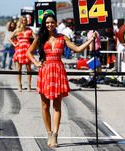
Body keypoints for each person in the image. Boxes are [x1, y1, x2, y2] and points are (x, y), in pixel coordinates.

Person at [26, 14, 96, 148]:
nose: (49, 25)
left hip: (58, 70)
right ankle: (49, 133)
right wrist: (35, 62)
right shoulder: (41, 37)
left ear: (56, 23)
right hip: (45, 71)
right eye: (47, 23)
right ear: (44, 24)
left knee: (57, 106)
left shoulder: (62, 37)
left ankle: (55, 135)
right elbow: (29, 52)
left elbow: (77, 49)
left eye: (52, 22)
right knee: (45, 106)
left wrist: (90, 40)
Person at [9, 16, 37, 91]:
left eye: (26, 20)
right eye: (24, 20)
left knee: (29, 69)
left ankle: (29, 85)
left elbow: (36, 38)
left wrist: (33, 46)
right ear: (21, 21)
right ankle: (19, 85)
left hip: (27, 50)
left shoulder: (29, 30)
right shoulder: (17, 30)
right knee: (19, 69)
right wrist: (14, 44)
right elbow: (9, 38)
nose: (25, 21)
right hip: (19, 50)